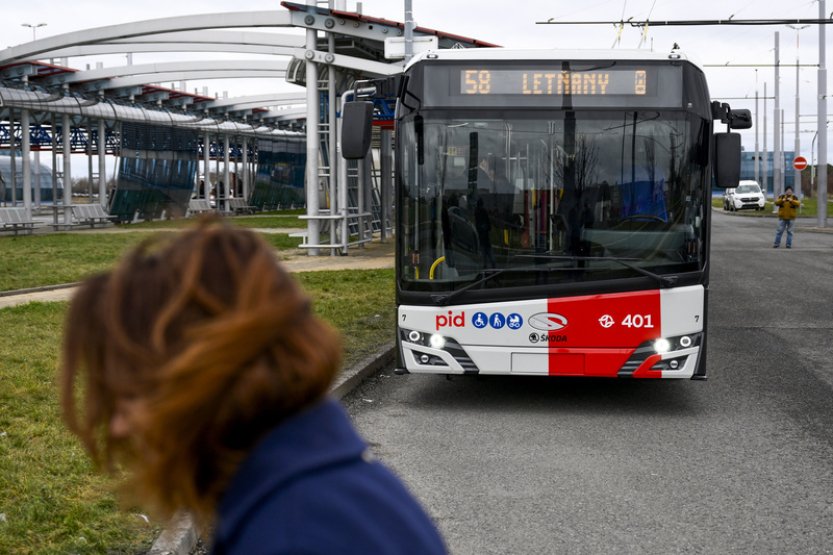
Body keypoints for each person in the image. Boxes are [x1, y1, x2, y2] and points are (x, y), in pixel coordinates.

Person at [59, 219, 447, 555]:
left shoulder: (296, 536)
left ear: (209, 376)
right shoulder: (322, 497)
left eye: (130, 394)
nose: (117, 427)